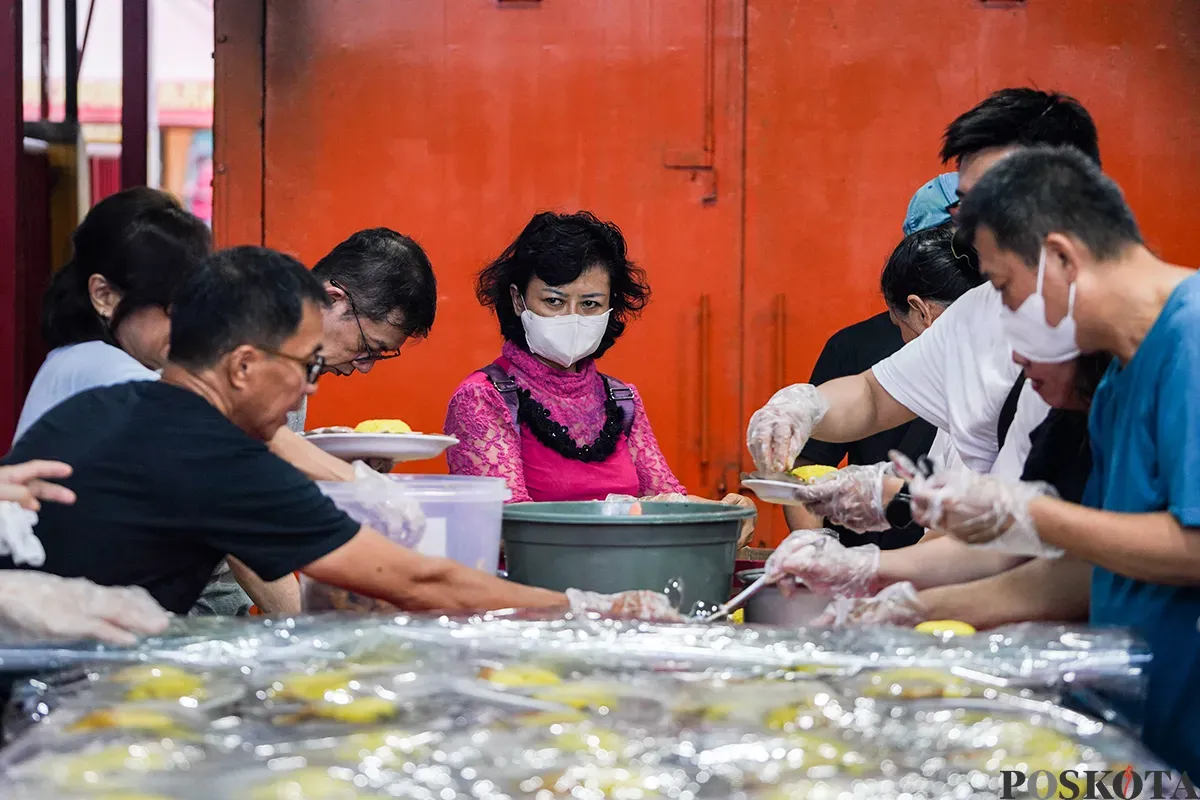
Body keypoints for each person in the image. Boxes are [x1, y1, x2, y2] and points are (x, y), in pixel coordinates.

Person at [1, 245, 680, 623]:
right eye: (305, 367)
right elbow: (419, 583)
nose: (310, 390)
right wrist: (587, 607)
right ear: (242, 366)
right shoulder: (217, 456)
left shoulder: (110, 407)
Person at [896, 147, 1199, 773]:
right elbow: (1099, 565)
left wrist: (1029, 512)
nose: (1003, 316)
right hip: (1144, 735)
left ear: (1061, 257)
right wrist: (910, 600)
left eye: (1003, 289)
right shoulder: (1118, 378)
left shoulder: (1190, 342)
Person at [747, 88, 1100, 590]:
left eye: (982, 210)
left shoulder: (1125, 337)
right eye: (962, 211)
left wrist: (900, 544)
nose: (964, 235)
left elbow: (1064, 546)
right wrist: (801, 407)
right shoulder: (985, 309)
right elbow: (872, 395)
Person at [10, 188, 341, 617]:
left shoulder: (84, 359)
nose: (189, 327)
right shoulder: (111, 374)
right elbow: (234, 459)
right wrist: (360, 488)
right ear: (104, 295)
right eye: (171, 309)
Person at [444, 211, 754, 532]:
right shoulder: (482, 398)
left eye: (590, 304)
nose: (572, 316)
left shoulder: (621, 399)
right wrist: (627, 511)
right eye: (554, 301)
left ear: (610, 308)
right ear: (518, 300)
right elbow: (505, 527)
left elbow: (665, 502)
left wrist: (721, 515)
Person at [787, 222, 981, 547]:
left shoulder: (986, 381)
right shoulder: (956, 363)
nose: (903, 343)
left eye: (900, 325)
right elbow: (873, 397)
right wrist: (798, 410)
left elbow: (955, 540)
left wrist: (866, 571)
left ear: (922, 311)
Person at [285, 227, 438, 432]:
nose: (365, 367)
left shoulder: (296, 366)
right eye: (366, 345)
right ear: (331, 300)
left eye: (379, 354)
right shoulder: (244, 347)